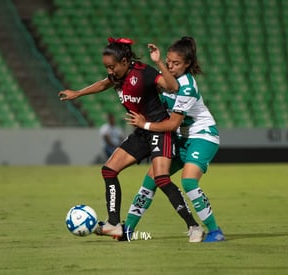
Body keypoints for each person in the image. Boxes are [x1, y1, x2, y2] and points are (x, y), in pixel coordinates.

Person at [58, 37, 200, 240]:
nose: (109, 71)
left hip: (159, 130)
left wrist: (159, 62)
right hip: (142, 133)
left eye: (112, 66)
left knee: (161, 179)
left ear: (124, 62)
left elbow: (173, 87)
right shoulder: (117, 76)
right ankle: (114, 223)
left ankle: (194, 226)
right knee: (108, 170)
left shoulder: (143, 72)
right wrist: (78, 93)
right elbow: (104, 83)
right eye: (106, 67)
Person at [125, 36, 225, 242]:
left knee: (188, 181)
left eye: (176, 63)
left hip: (202, 136)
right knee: (151, 178)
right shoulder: (165, 78)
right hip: (180, 138)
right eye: (169, 61)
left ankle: (215, 231)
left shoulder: (187, 87)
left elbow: (172, 124)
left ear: (187, 64)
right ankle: (127, 230)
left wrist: (144, 125)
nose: (171, 66)